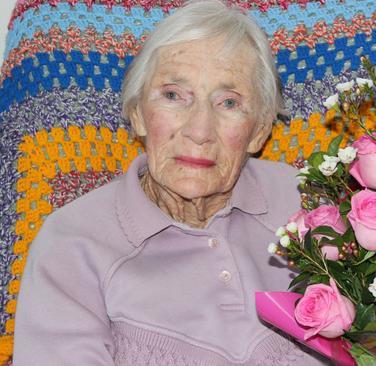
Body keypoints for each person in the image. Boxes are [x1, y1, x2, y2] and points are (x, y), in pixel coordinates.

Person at [12, 1, 325, 364]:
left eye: (228, 102)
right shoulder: (73, 245)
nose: (199, 131)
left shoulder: (311, 201)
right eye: (174, 96)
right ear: (138, 114)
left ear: (259, 131)